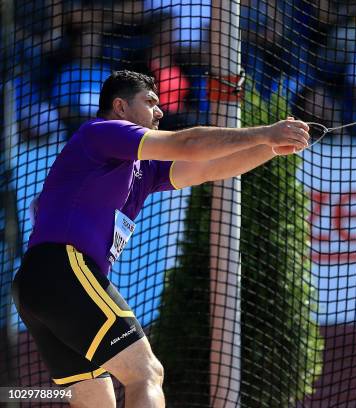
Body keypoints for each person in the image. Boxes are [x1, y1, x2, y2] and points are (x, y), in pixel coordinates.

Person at [11, 70, 309, 408]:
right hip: (63, 269)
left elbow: (208, 167)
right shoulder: (103, 132)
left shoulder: (141, 169)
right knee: (147, 373)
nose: (160, 111)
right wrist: (265, 131)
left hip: (37, 285)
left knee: (95, 397)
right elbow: (189, 144)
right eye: (150, 102)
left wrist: (271, 146)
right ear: (120, 107)